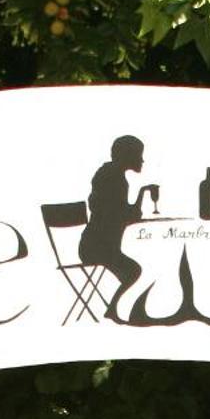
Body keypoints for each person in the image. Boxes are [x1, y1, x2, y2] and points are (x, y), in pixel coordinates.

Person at [79, 135, 151, 320]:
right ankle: (112, 309)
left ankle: (113, 309)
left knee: (131, 271)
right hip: (98, 249)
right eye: (139, 155)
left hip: (95, 245)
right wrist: (140, 199)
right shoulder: (114, 178)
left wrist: (142, 193)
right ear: (128, 155)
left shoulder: (110, 174)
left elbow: (122, 212)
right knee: (134, 271)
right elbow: (120, 213)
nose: (142, 160)